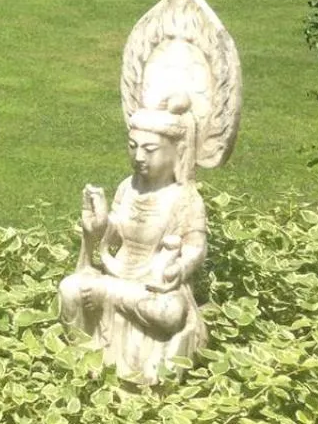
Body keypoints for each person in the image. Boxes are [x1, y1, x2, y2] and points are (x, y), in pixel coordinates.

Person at [58, 93, 207, 383]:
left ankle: (111, 303)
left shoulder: (185, 197)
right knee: (69, 288)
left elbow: (196, 247)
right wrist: (99, 226)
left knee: (170, 313)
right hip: (118, 271)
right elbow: (117, 231)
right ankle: (85, 357)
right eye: (133, 147)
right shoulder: (128, 188)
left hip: (154, 284)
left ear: (176, 151)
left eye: (150, 149)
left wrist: (181, 267)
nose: (139, 157)